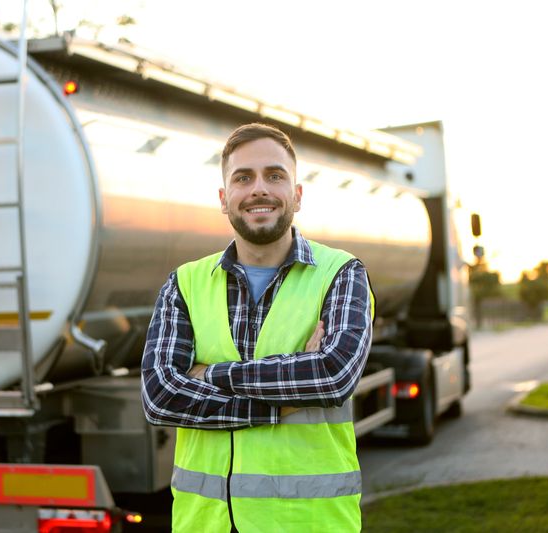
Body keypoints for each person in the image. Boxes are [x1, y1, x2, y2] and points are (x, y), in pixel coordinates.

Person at [141, 123, 374, 532]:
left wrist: (209, 373)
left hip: (309, 523)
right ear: (224, 198)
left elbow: (333, 376)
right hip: (206, 524)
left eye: (275, 175)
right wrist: (284, 398)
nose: (259, 189)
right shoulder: (185, 283)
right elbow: (160, 396)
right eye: (243, 178)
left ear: (297, 196)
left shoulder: (341, 273)